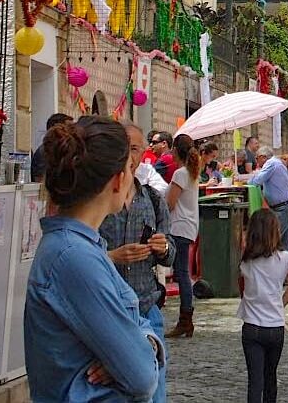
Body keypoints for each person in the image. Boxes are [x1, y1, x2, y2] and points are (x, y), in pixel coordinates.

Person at [24, 116, 164, 401]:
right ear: (117, 180)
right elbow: (142, 377)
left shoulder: (83, 248)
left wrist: (145, 342)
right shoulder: (75, 257)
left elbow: (140, 332)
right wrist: (142, 348)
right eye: (129, 167)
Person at [100, 121, 177, 403]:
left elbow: (171, 252)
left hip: (146, 307)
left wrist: (163, 247)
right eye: (125, 148)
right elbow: (82, 251)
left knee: (154, 390)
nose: (130, 156)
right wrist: (112, 256)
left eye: (135, 148)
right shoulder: (100, 200)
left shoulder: (153, 200)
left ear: (143, 152)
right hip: (109, 309)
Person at [238, 209, 288, 403]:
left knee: (255, 381)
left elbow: (240, 286)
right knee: (270, 377)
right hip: (275, 326)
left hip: (252, 326)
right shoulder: (285, 259)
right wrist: (279, 305)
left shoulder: (246, 262)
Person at [165, 134, 201, 338]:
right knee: (183, 273)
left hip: (179, 226)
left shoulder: (180, 173)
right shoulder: (191, 172)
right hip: (187, 226)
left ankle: (185, 318)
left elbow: (171, 202)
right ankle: (185, 318)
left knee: (182, 274)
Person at [235, 146, 288, 251]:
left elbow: (257, 180)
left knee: (273, 238)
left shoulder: (271, 163)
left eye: (257, 159)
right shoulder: (276, 163)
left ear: (263, 157)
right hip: (284, 206)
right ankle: (287, 264)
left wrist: (244, 182)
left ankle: (275, 264)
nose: (256, 162)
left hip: (282, 207)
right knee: (284, 240)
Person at [30, 113, 73, 183]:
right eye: (69, 128)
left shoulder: (63, 150)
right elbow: (40, 182)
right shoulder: (44, 152)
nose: (73, 132)